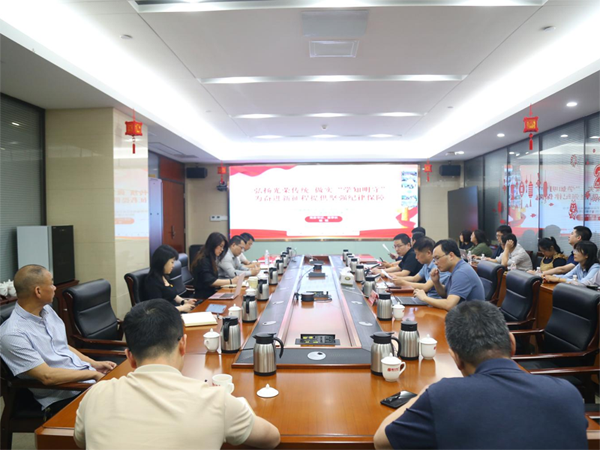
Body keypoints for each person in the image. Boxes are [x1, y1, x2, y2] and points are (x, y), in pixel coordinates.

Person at [373, 301, 588, 450]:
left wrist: (426, 393)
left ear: (456, 359)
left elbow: (381, 440)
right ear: (512, 344)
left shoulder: (444, 396)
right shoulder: (568, 393)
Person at [74, 299, 281, 450]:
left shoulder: (95, 395)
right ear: (183, 345)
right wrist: (240, 407)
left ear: (130, 357)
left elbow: (80, 440)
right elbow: (272, 438)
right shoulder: (215, 400)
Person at [0, 265, 116, 418]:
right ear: (38, 291)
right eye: (51, 283)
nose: (55, 288)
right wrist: (92, 375)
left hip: (85, 381)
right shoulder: (13, 334)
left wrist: (94, 364)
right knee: (123, 408)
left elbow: (61, 346)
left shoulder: (47, 311)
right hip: (65, 395)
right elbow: (47, 376)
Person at [413, 239, 485, 310]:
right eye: (434, 259)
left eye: (437, 258)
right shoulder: (456, 268)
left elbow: (449, 305)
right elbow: (445, 293)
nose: (435, 263)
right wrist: (436, 282)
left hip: (470, 316)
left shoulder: (462, 272)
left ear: (451, 255)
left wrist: (424, 298)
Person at [144, 245, 196, 313]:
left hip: (175, 311)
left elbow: (172, 295)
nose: (173, 266)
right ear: (163, 262)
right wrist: (182, 308)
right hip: (167, 316)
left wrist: (184, 302)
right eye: (172, 262)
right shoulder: (152, 282)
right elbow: (158, 309)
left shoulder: (164, 276)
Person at [192, 232, 234, 299]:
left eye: (223, 247)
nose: (222, 249)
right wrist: (232, 281)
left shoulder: (211, 258)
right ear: (213, 245)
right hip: (203, 298)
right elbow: (211, 282)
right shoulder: (203, 260)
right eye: (221, 246)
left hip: (212, 294)